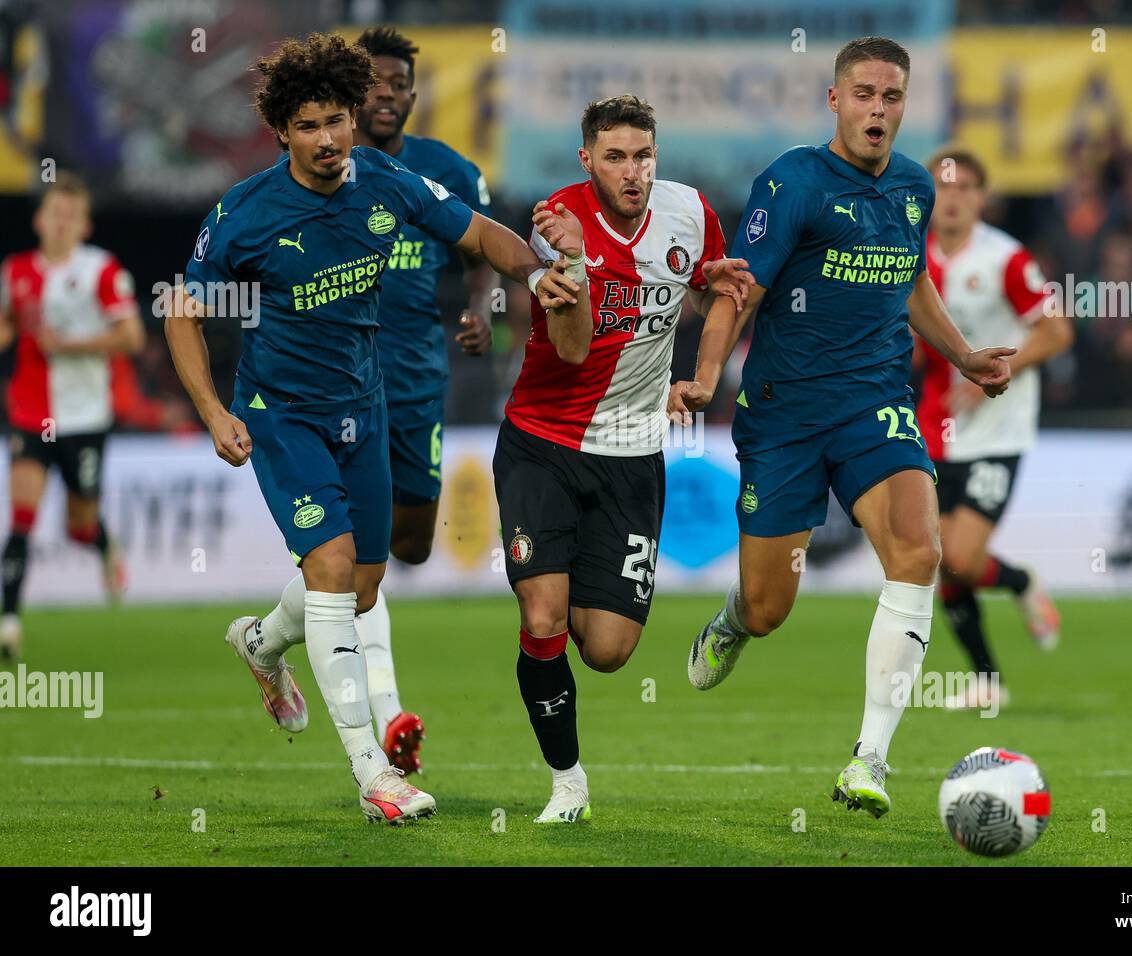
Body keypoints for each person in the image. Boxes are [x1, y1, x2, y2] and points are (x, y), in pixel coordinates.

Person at [165, 33, 587, 823]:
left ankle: (261, 644)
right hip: (282, 415)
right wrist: (216, 411)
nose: (328, 140)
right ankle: (373, 776)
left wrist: (534, 272)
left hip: (367, 406)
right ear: (283, 133)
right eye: (309, 126)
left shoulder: (387, 181)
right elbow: (182, 312)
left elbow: (477, 234)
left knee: (361, 586)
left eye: (337, 121)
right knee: (328, 566)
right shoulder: (246, 216)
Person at [671, 37, 1013, 819]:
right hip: (785, 414)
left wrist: (962, 356)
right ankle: (734, 620)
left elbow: (911, 276)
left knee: (918, 551)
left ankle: (870, 760)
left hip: (874, 403)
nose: (878, 110)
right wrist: (706, 374)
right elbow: (739, 290)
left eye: (892, 97)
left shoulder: (914, 187)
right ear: (836, 100)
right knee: (769, 607)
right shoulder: (792, 181)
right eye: (864, 94)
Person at [494, 94, 753, 823]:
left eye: (643, 155)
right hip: (541, 444)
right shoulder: (556, 224)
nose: (632, 171)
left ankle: (558, 594)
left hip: (634, 456)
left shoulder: (692, 213)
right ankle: (567, 783)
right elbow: (572, 348)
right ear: (587, 159)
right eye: (615, 157)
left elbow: (725, 291)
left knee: (606, 650)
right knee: (543, 615)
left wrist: (703, 376)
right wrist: (573, 259)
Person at [330, 26, 500, 774]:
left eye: (399, 82)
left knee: (409, 545)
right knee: (353, 550)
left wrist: (481, 309)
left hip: (416, 376)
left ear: (413, 92)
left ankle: (267, 637)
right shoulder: (322, 170)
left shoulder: (444, 170)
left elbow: (483, 250)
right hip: (338, 383)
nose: (388, 93)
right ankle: (388, 720)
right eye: (373, 82)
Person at [914, 147, 1072, 710]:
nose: (953, 198)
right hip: (932, 428)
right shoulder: (910, 256)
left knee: (958, 556)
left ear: (982, 198)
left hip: (998, 429)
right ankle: (986, 678)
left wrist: (1001, 370)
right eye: (944, 187)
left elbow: (1055, 333)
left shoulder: (1006, 258)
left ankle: (1022, 582)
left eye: (965, 189)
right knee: (935, 558)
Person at [0, 173, 144, 661]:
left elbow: (131, 338)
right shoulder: (15, 271)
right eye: (53, 213)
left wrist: (72, 346)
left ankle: (103, 545)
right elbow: (7, 326)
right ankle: (9, 623)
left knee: (77, 527)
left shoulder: (101, 270)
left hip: (84, 417)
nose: (60, 223)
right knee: (21, 517)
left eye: (71, 215)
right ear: (39, 219)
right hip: (28, 412)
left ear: (84, 225)